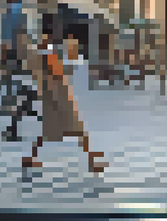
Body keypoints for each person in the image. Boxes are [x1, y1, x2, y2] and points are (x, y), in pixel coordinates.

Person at [22, 34, 106, 175]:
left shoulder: (45, 64)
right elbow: (55, 84)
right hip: (60, 106)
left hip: (57, 105)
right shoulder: (47, 65)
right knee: (77, 132)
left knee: (49, 133)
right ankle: (92, 162)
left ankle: (31, 157)